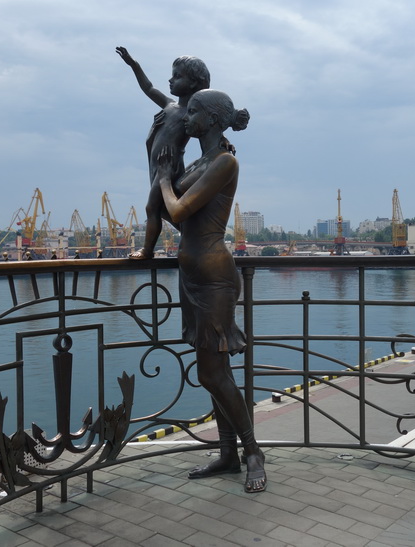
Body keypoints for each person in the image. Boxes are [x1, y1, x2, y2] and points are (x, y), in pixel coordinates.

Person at [156, 89, 265, 493]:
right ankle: (227, 454)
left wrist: (165, 179)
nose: (188, 115)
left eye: (195, 110)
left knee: (211, 372)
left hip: (215, 278)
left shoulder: (224, 162)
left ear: (214, 119)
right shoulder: (201, 161)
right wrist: (165, 179)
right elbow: (174, 215)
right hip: (192, 278)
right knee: (214, 373)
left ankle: (253, 451)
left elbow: (180, 210)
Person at [116, 46, 210, 260]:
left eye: (177, 77)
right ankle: (197, 237)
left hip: (169, 165)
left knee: (152, 207)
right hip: (156, 164)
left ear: (194, 83)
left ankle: (147, 251)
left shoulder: (190, 114)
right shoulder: (169, 105)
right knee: (163, 210)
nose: (171, 80)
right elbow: (148, 88)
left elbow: (207, 133)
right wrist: (135, 65)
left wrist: (223, 141)